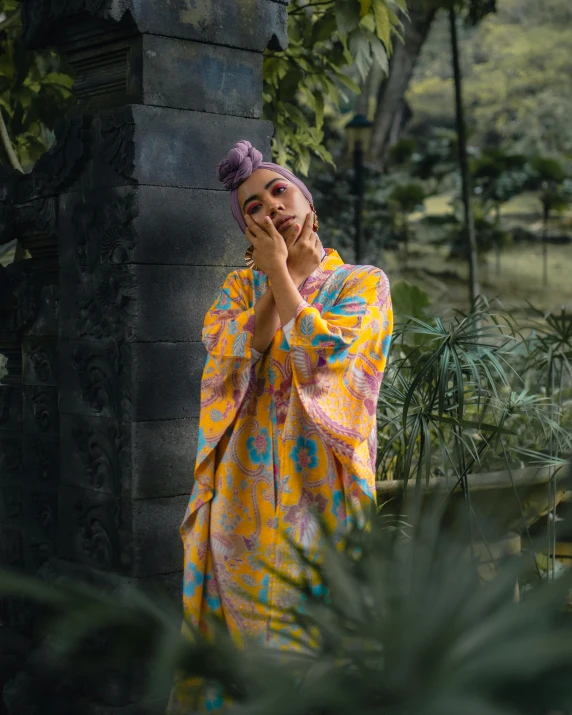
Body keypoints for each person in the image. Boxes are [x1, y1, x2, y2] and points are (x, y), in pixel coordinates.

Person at [169, 140, 393, 712]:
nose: (271, 209)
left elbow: (324, 361)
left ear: (308, 204)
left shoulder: (364, 285)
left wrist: (281, 277)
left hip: (321, 491)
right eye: (253, 208)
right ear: (247, 232)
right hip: (240, 495)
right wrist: (272, 277)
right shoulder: (238, 291)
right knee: (239, 648)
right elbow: (227, 356)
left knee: (317, 641)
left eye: (278, 191)